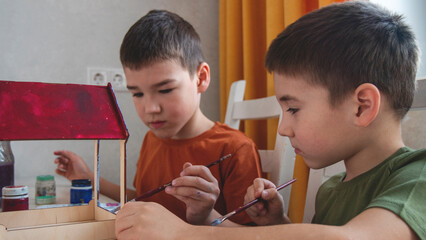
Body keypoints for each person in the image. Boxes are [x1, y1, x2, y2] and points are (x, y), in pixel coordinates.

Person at [114, 1, 426, 239]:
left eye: (293, 109)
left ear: (361, 107)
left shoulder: (417, 177)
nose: (283, 128)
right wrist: (278, 224)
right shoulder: (333, 189)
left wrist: (185, 233)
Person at [54, 9, 262, 225]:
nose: (150, 108)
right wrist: (90, 179)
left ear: (200, 78)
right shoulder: (151, 139)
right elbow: (146, 201)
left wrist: (206, 214)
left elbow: (251, 235)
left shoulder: (235, 150)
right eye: (137, 93)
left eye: (164, 90)